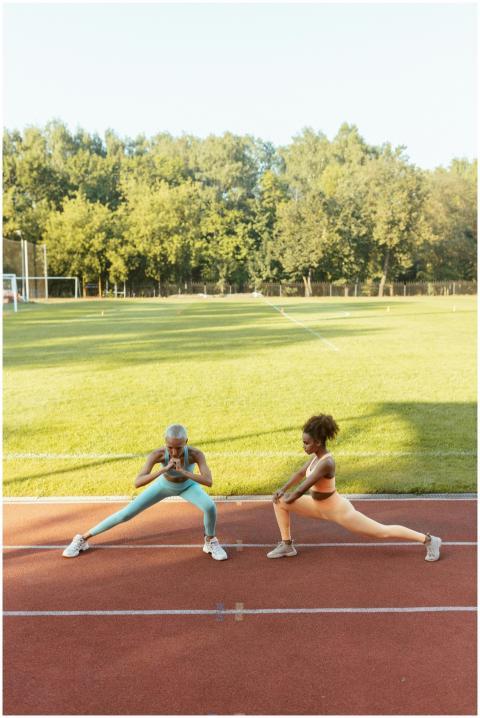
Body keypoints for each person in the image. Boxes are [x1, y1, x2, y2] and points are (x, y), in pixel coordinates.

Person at [267, 414, 442, 561]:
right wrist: (283, 490)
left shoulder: (326, 462)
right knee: (279, 501)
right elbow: (299, 474)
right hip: (317, 507)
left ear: (318, 442)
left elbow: (301, 488)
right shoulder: (314, 457)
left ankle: (428, 540)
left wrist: (290, 497)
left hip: (338, 511)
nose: (303, 446)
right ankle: (287, 545)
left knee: (381, 532)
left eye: (306, 443)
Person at [62, 424, 228, 561]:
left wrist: (183, 472)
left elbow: (208, 481)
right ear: (165, 442)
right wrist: (164, 470)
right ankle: (82, 539)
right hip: (163, 485)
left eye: (179, 447)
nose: (174, 452)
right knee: (125, 515)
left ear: (186, 442)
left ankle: (210, 541)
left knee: (209, 507)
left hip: (188, 487)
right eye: (170, 447)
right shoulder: (157, 455)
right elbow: (138, 482)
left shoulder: (195, 454)